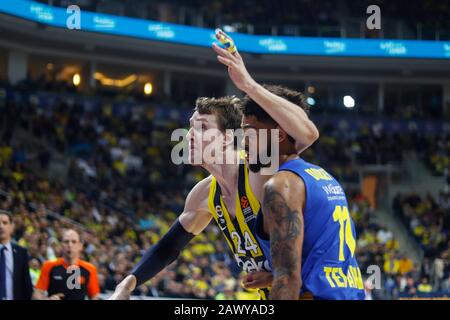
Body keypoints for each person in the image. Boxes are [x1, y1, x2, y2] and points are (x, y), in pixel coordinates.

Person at [109, 31, 319, 300]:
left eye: (202, 127)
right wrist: (125, 285)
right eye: (190, 128)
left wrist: (249, 86)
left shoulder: (260, 171)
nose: (189, 135)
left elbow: (306, 135)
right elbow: (166, 249)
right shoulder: (204, 195)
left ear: (229, 138)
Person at [237, 86, 366, 299]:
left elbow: (288, 278)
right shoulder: (323, 177)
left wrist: (278, 279)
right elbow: (323, 260)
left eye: (249, 131)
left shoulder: (280, 186)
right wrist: (271, 277)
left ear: (279, 135)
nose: (244, 142)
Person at [33, 229, 100, 300]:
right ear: (61, 245)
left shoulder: (89, 269)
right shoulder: (49, 266)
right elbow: (37, 294)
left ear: (80, 246)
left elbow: (94, 296)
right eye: (66, 242)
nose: (69, 245)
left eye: (74, 242)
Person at [0, 211, 33, 300]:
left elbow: (27, 285)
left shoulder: (21, 253)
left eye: (5, 223)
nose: (1, 226)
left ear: (11, 227)